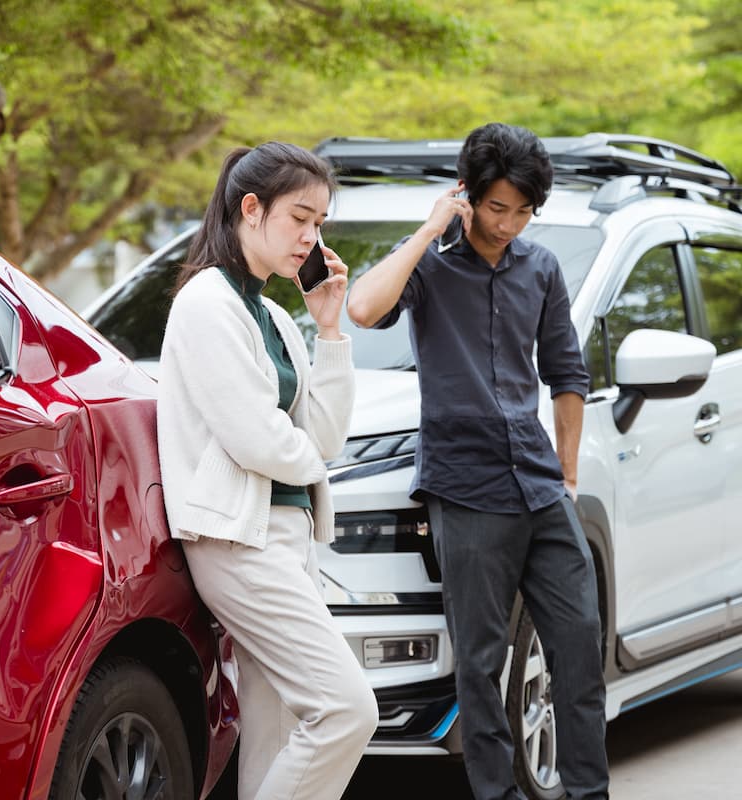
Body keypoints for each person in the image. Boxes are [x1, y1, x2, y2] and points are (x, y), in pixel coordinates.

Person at [346, 123, 609, 800]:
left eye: (523, 211)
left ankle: (589, 792)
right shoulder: (430, 266)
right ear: (467, 194)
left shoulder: (540, 268)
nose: (509, 224)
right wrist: (430, 228)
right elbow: (364, 307)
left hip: (540, 485)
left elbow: (567, 373)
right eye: (497, 207)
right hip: (465, 488)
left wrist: (568, 476)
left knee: (579, 646)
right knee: (481, 664)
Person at [158, 141, 378, 800]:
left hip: (285, 534)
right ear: (251, 209)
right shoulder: (207, 302)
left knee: (278, 731)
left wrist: (330, 329)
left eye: (319, 224)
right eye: (299, 219)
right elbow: (257, 438)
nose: (311, 238)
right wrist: (311, 457)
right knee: (345, 709)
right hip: (238, 541)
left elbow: (325, 434)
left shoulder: (274, 314)